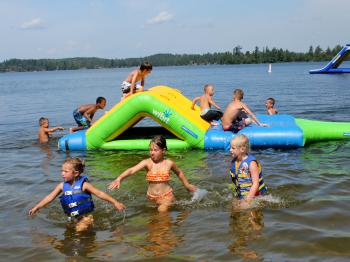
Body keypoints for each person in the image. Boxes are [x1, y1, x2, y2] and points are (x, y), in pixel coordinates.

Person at [29, 157, 125, 232]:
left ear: (75, 173)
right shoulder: (61, 186)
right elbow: (50, 197)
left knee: (79, 231)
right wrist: (37, 207)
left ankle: (89, 246)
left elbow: (100, 193)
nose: (62, 174)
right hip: (72, 217)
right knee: (70, 232)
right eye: (62, 171)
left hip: (87, 216)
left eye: (66, 171)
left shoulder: (84, 185)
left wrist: (115, 203)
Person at [108, 135, 197, 212]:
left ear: (163, 150)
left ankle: (165, 230)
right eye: (150, 150)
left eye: (155, 150)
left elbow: (179, 173)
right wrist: (119, 178)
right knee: (153, 222)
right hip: (151, 197)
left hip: (166, 196)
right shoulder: (147, 163)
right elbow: (131, 170)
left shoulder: (169, 163)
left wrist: (187, 185)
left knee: (162, 211)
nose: (152, 152)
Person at [229, 134, 267, 209]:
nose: (230, 150)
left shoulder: (251, 163)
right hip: (241, 194)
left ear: (242, 149)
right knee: (233, 211)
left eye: (233, 148)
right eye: (230, 147)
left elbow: (256, 184)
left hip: (255, 195)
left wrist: (247, 200)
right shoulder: (235, 161)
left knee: (251, 217)